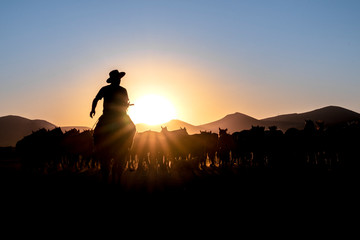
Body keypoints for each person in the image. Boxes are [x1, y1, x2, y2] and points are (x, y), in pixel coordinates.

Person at [90, 70, 136, 183]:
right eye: (118, 78)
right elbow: (125, 103)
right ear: (115, 79)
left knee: (97, 132)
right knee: (132, 128)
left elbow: (96, 99)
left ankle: (98, 149)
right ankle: (127, 148)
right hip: (120, 117)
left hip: (107, 116)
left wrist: (93, 110)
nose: (120, 80)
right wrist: (125, 106)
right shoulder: (122, 90)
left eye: (119, 78)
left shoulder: (105, 89)